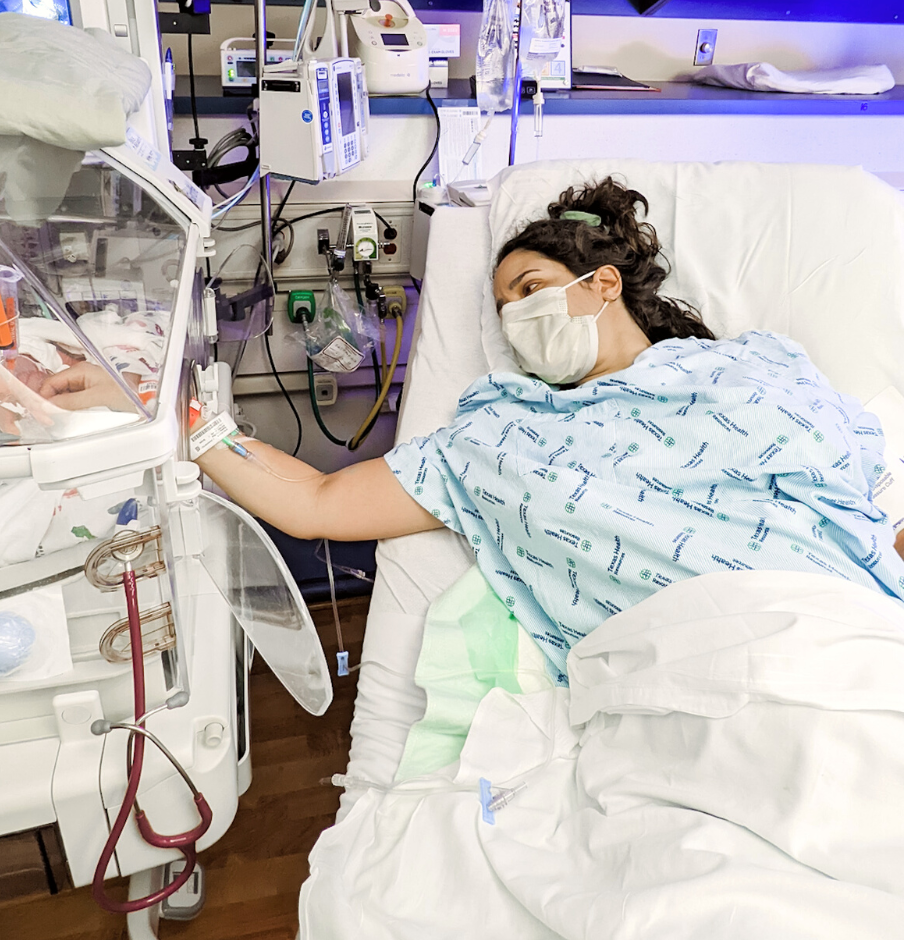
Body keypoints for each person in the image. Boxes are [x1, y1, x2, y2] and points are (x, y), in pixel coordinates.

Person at [60, 178, 904, 680]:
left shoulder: (753, 365)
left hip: (853, 631)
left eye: (529, 287)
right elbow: (316, 501)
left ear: (601, 284)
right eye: (502, 310)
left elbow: (866, 494)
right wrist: (176, 413)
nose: (514, 319)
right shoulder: (501, 435)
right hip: (703, 664)